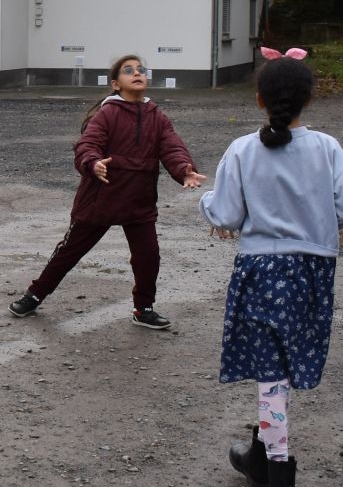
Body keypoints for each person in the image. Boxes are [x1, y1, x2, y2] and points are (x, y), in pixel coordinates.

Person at [200, 48, 343, 487]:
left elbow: (226, 214)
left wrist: (207, 201)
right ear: (309, 99)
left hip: (261, 272)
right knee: (286, 368)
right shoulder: (328, 148)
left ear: (259, 99)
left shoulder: (242, 150)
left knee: (270, 378)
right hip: (313, 272)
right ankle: (258, 456)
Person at [10, 54, 205, 328]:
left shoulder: (157, 116)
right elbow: (87, 145)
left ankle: (143, 309)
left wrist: (184, 170)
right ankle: (34, 295)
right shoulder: (108, 113)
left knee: (148, 256)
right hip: (100, 199)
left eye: (141, 70)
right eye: (129, 70)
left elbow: (172, 147)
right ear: (115, 83)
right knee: (69, 252)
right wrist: (93, 163)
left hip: (138, 201)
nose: (137, 73)